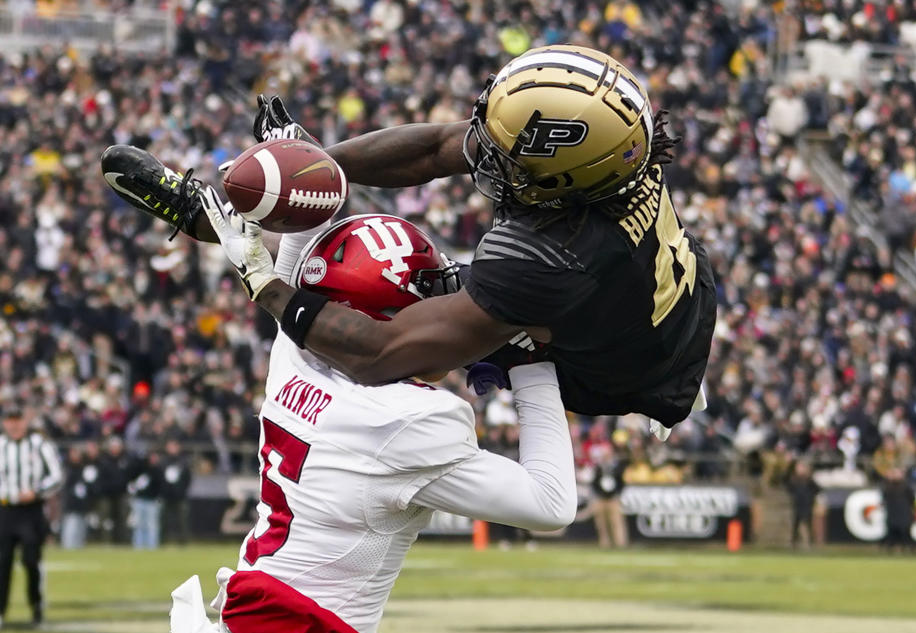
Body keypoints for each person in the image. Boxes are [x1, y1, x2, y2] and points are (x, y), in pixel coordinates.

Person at [101, 44, 716, 433]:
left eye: (507, 161)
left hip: (624, 367)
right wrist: (313, 167)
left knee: (380, 279)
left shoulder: (556, 255)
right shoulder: (613, 151)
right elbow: (436, 147)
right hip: (663, 292)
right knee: (412, 273)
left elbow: (381, 355)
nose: (482, 159)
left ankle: (225, 227)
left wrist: (264, 283)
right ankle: (222, 215)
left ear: (563, 182)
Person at [170, 210, 575, 633]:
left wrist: (289, 169)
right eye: (430, 302)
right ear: (384, 316)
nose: (445, 316)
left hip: (259, 617)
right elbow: (550, 505)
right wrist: (534, 365)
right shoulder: (406, 419)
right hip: (304, 630)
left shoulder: (294, 358)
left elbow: (298, 268)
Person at [0, 407, 63, 630]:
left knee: (30, 560)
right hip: (5, 511)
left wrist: (36, 492)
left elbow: (56, 475)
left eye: (18, 420)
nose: (14, 425)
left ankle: (36, 606)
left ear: (25, 422)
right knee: (2, 562)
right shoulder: (1, 445)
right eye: (10, 420)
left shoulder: (38, 444)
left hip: (30, 510)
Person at [60, 444, 99, 550]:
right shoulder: (66, 467)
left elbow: (92, 485)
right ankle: (68, 546)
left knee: (81, 526)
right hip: (71, 502)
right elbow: (64, 483)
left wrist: (87, 483)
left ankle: (78, 546)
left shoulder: (84, 467)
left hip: (83, 503)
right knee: (71, 524)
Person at [97, 436, 132, 544]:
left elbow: (130, 475)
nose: (116, 448)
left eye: (117, 446)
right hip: (106, 494)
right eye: (114, 446)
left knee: (122, 519)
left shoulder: (125, 459)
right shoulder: (104, 460)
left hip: (121, 493)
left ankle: (123, 542)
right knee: (106, 520)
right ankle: (106, 541)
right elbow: (101, 478)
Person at [159, 438, 192, 545]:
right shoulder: (163, 462)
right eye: (170, 446)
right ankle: (162, 541)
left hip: (180, 496)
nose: (172, 449)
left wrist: (182, 491)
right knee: (163, 520)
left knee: (182, 521)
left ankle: (183, 542)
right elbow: (158, 478)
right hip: (166, 496)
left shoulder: (183, 462)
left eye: (174, 446)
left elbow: (188, 479)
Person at [129, 449, 163, 550]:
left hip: (152, 501)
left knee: (152, 524)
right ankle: (138, 545)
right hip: (139, 500)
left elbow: (160, 484)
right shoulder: (141, 468)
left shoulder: (158, 470)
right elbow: (132, 474)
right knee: (139, 524)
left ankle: (152, 546)